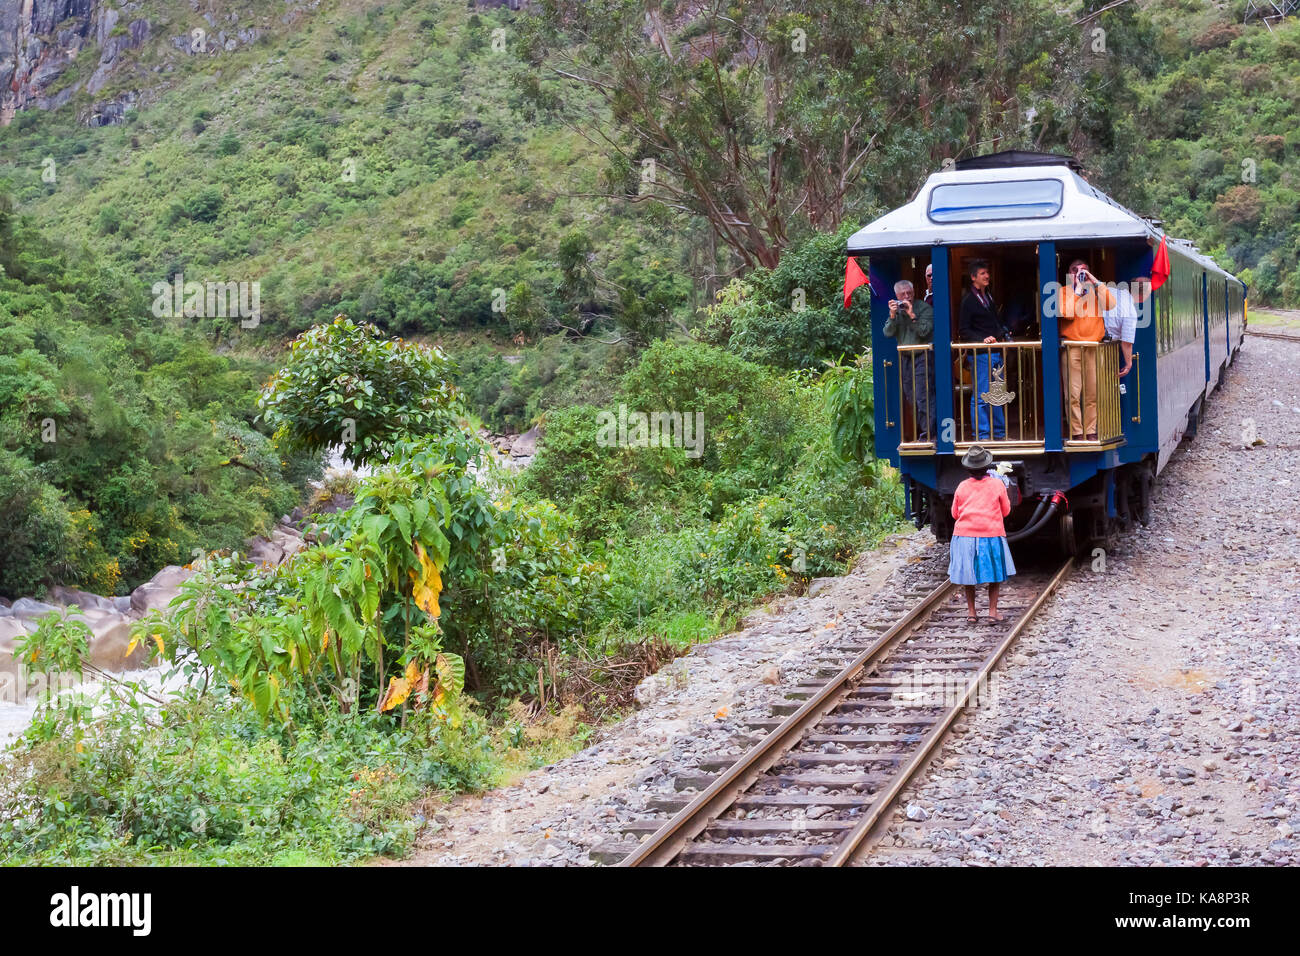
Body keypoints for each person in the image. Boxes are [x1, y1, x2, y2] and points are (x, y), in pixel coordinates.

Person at [948, 445, 1016, 622]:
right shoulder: (997, 484)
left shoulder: (962, 486)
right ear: (988, 467)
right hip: (991, 535)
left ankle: (972, 613)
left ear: (968, 469)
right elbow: (1006, 511)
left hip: (964, 537)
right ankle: (992, 612)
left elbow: (955, 514)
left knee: (968, 576)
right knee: (995, 575)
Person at [1059, 259, 1116, 441]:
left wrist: (1094, 281)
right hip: (1072, 348)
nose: (1079, 273)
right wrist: (1076, 291)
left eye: (1084, 270)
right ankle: (1076, 432)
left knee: (1092, 393)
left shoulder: (1096, 292)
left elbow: (1111, 304)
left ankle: (1090, 430)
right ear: (1069, 273)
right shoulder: (1063, 292)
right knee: (1073, 394)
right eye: (1075, 270)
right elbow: (1067, 313)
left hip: (1093, 348)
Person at [958, 260, 1009, 441]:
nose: (987, 276)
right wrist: (982, 340)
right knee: (981, 396)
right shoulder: (968, 301)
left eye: (987, 272)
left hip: (994, 352)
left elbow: (994, 322)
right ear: (973, 278)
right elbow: (963, 330)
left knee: (997, 394)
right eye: (982, 273)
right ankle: (982, 436)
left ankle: (1000, 434)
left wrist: (1002, 332)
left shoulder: (988, 296)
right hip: (980, 354)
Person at [884, 279, 935, 440]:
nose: (907, 297)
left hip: (922, 356)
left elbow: (925, 332)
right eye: (903, 294)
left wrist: (912, 315)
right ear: (897, 296)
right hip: (905, 359)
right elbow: (887, 333)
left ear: (913, 293)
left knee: (923, 395)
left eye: (909, 293)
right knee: (911, 396)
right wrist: (892, 315)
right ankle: (924, 431)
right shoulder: (896, 311)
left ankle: (930, 434)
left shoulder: (924, 308)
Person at [1103, 275, 1149, 378]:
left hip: (1082, 338)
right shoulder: (1130, 312)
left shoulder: (1110, 290)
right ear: (1143, 296)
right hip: (1102, 348)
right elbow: (1126, 343)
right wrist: (1129, 364)